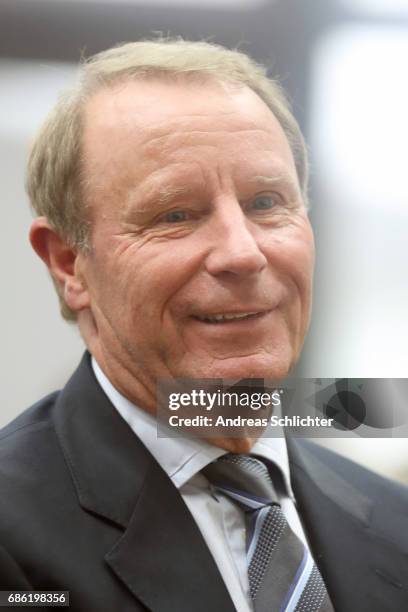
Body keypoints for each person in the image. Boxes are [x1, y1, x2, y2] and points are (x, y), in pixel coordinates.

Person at [0, 38, 406, 612]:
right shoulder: (15, 546)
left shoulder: (394, 520)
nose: (243, 253)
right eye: (176, 214)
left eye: (267, 202)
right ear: (70, 263)